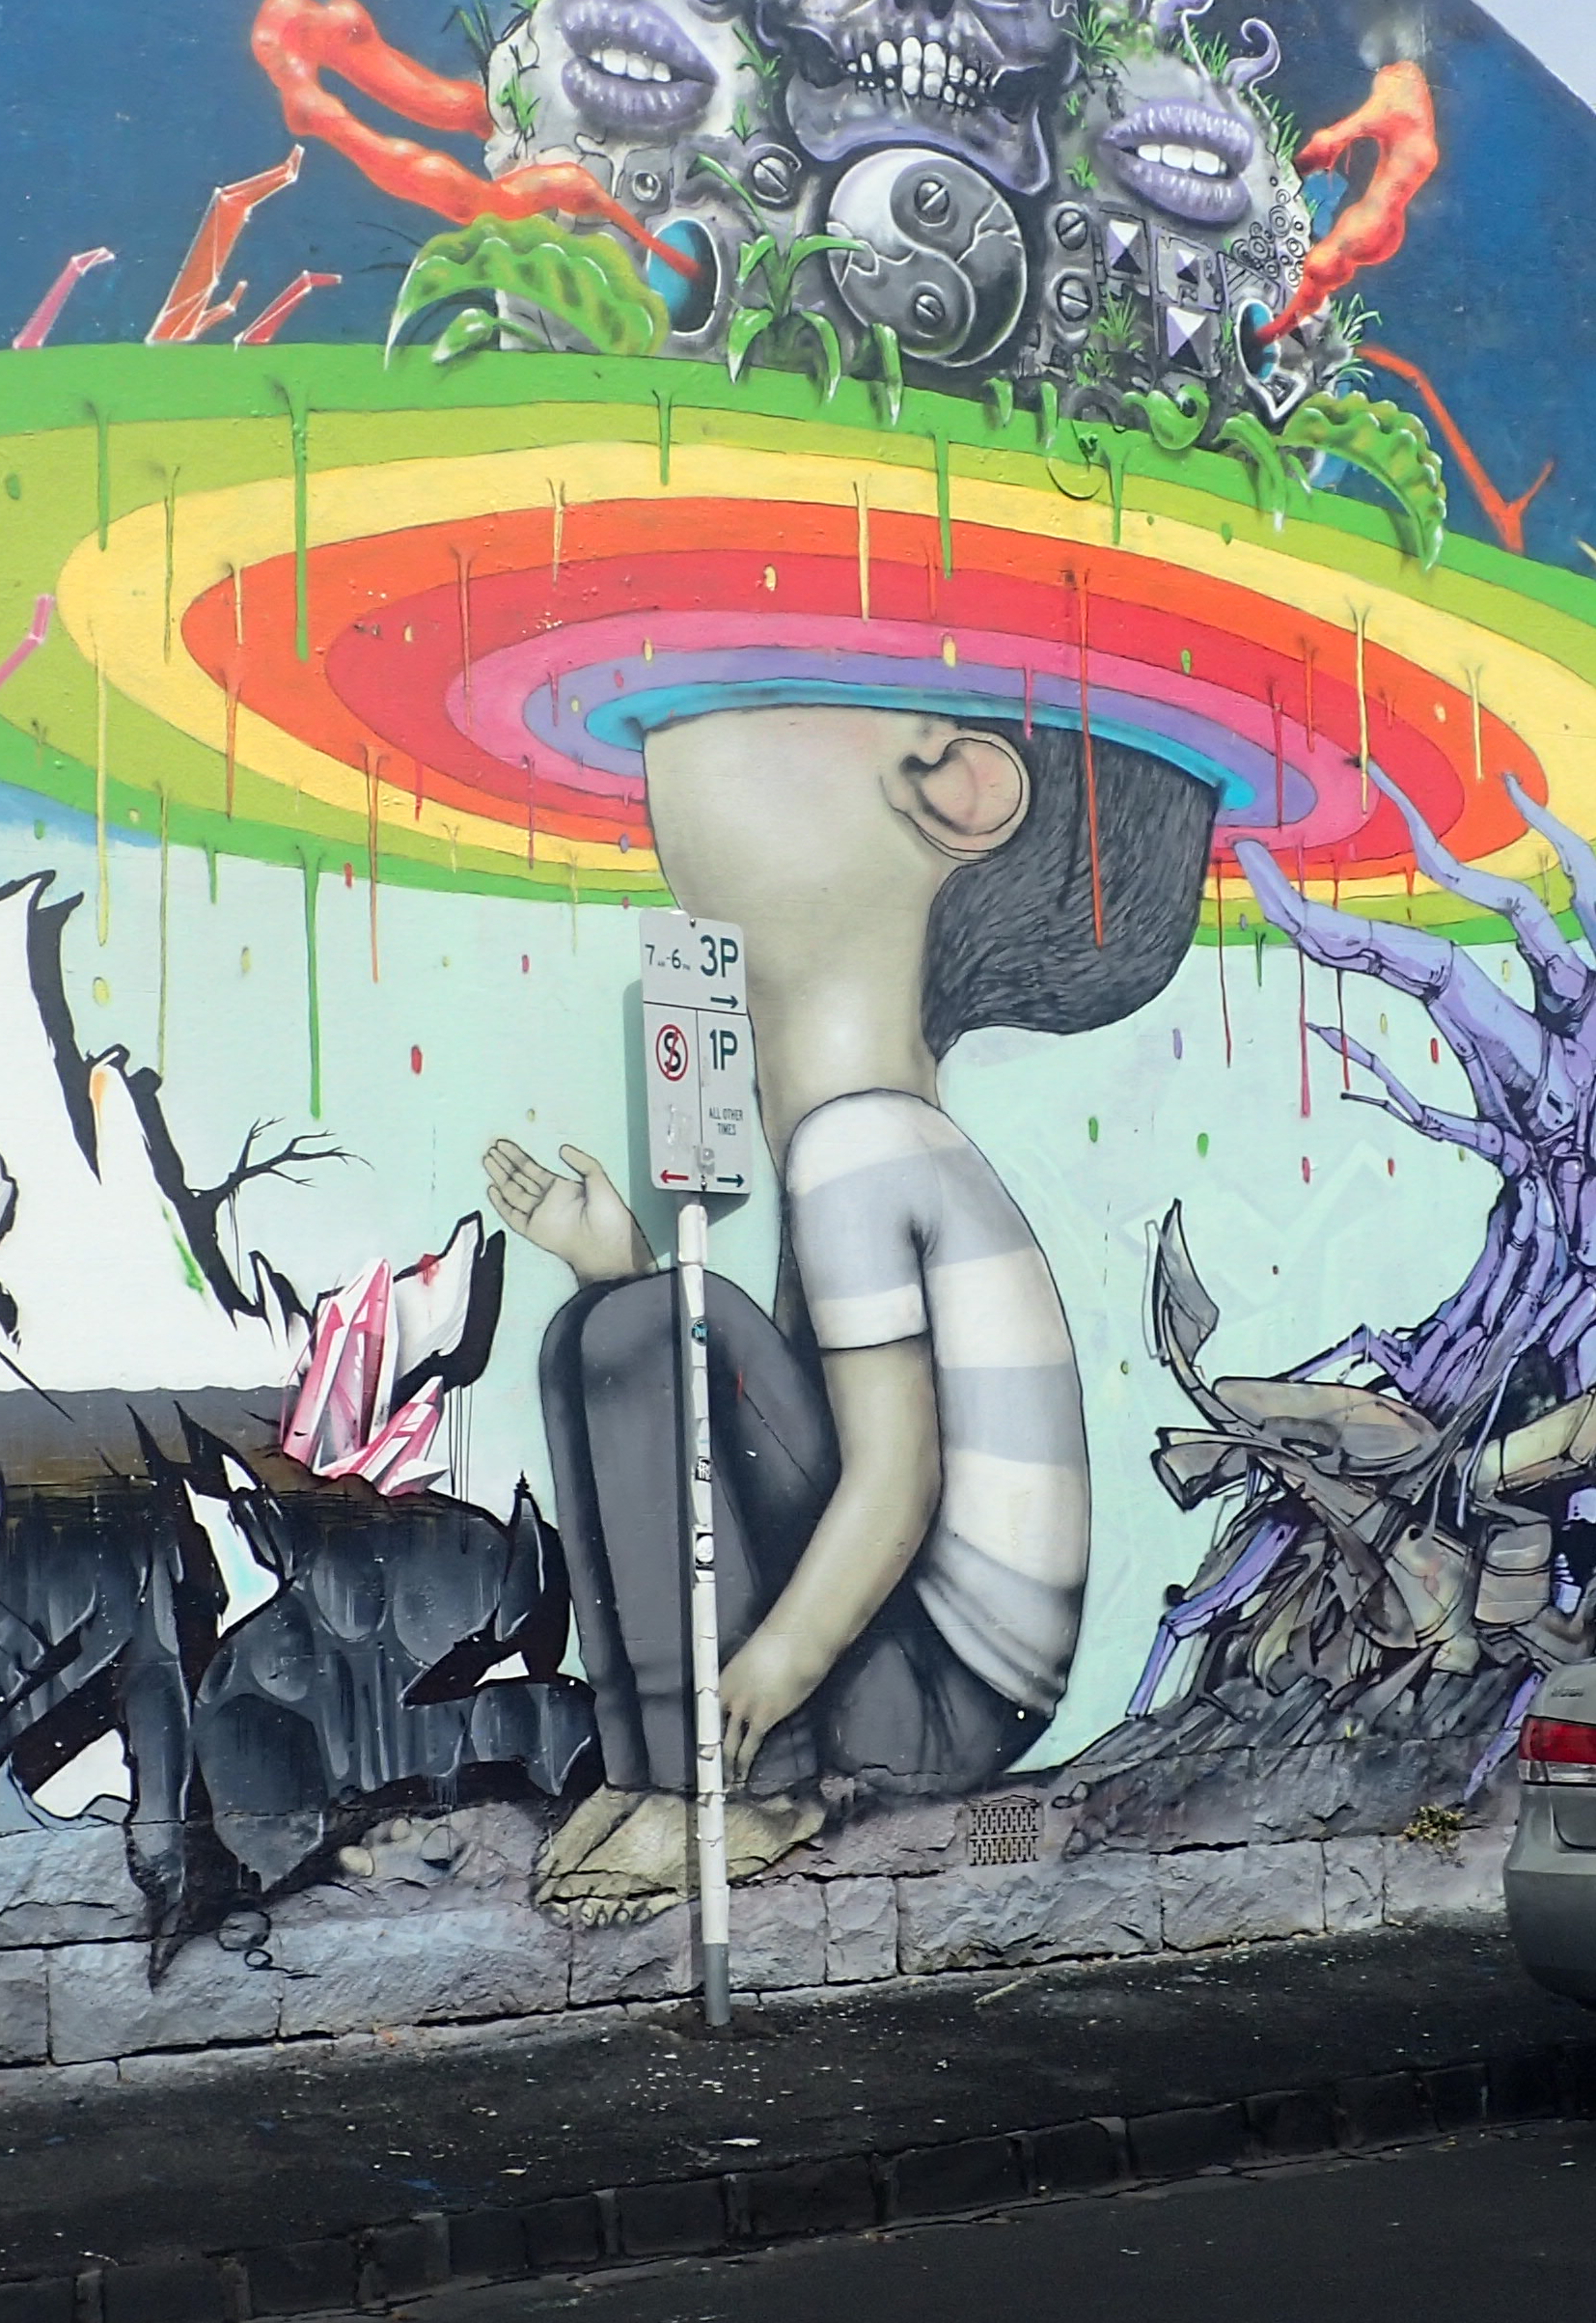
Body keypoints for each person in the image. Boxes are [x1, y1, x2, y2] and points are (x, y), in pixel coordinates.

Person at [484, 700, 1218, 1923]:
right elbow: (776, 1429)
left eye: (770, 686)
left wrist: (782, 1661)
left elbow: (896, 1476)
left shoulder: (862, 1144)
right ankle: (661, 1770)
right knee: (617, 1327)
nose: (684, 700)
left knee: (643, 1330)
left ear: (955, 786)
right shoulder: (860, 1139)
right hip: (928, 1660)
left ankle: (743, 1793)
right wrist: (624, 1275)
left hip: (939, 1691)